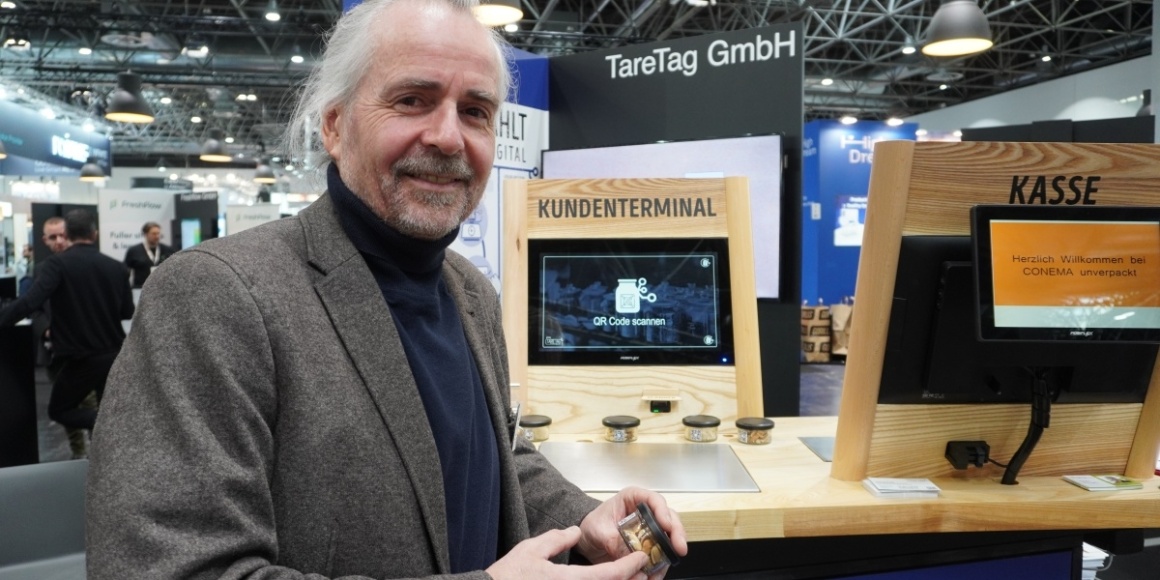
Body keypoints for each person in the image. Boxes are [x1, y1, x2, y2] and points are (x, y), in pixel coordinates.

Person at [86, 0, 687, 579]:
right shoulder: (216, 296)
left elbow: (487, 457)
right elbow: (167, 569)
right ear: (335, 125)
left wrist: (583, 519)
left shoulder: (469, 292)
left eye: (475, 111)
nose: (449, 137)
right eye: (412, 100)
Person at [0, 209, 134, 433]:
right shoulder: (117, 267)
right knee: (109, 410)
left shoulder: (58, 265)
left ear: (68, 235)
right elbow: (127, 312)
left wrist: (3, 318)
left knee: (60, 410)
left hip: (81, 358)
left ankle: (111, 428)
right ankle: (110, 446)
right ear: (95, 234)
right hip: (114, 355)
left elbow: (30, 302)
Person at [122, 221, 174, 288]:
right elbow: (125, 271)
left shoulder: (168, 250)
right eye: (154, 234)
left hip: (162, 289)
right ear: (146, 234)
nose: (157, 236)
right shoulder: (134, 251)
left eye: (158, 233)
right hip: (140, 289)